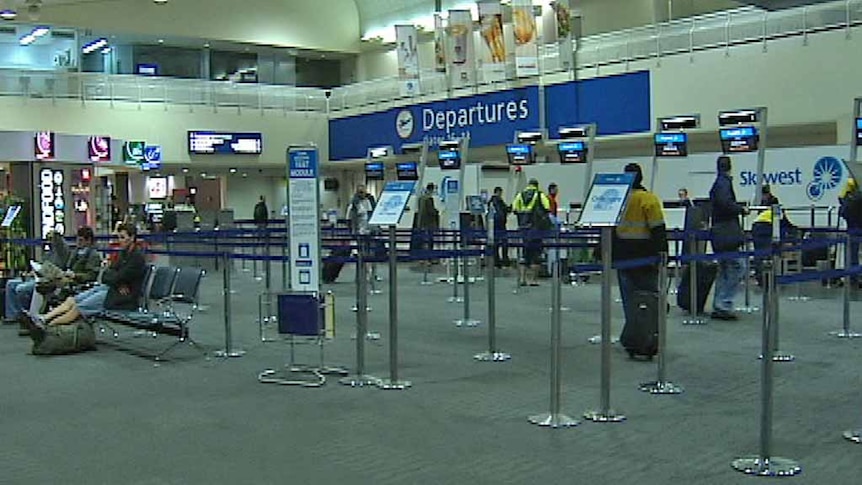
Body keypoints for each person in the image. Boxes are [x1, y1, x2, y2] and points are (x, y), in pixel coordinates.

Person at [28, 224, 146, 331]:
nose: (120, 241)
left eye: (123, 237)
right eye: (119, 237)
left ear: (132, 238)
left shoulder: (136, 258)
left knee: (78, 308)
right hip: (111, 288)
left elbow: (116, 276)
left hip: (122, 297)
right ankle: (44, 318)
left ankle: (47, 326)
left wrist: (115, 278)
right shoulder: (123, 254)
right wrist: (118, 281)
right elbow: (106, 275)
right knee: (72, 300)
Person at [614, 163, 667, 341]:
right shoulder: (648, 199)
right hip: (645, 257)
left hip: (623, 256)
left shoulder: (618, 199)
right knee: (650, 296)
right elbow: (658, 228)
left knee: (629, 299)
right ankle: (650, 333)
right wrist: (662, 253)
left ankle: (633, 334)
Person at [709, 155, 749, 320]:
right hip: (727, 232)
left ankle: (719, 303)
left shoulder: (718, 183)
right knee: (738, 266)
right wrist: (740, 209)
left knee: (725, 268)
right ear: (730, 167)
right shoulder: (724, 183)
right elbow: (725, 203)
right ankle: (723, 303)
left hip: (719, 232)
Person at [5, 231, 70, 329]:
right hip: (37, 276)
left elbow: (60, 244)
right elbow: (41, 266)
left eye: (50, 240)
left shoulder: (62, 252)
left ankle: (27, 316)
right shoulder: (48, 254)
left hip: (48, 279)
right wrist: (30, 273)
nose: (49, 242)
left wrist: (56, 236)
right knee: (10, 284)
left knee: (21, 289)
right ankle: (13, 315)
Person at [512, 178, 551, 286]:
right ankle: (533, 280)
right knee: (536, 255)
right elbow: (547, 207)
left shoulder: (520, 195)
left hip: (524, 229)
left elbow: (514, 208)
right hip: (536, 229)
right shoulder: (540, 195)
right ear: (536, 185)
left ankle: (522, 279)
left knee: (524, 255)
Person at [839, 178, 862, 286]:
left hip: (853, 229)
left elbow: (843, 213)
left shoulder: (850, 200)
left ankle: (853, 278)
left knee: (852, 256)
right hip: (857, 228)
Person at [415, 183, 439, 262]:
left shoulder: (421, 198)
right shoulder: (429, 199)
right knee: (430, 241)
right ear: (431, 189)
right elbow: (431, 211)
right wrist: (437, 212)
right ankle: (429, 259)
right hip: (429, 223)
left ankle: (422, 258)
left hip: (421, 222)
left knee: (423, 241)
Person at [488, 186, 511, 267]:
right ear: (498, 192)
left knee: (496, 244)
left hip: (494, 225)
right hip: (500, 225)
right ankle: (505, 260)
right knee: (504, 243)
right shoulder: (498, 200)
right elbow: (505, 210)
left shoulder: (490, 202)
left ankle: (496, 261)